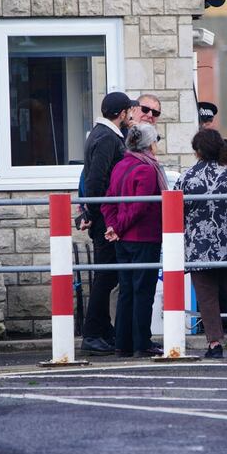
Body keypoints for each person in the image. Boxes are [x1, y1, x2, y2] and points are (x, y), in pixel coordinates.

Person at [174, 129, 227, 359]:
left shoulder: (186, 178)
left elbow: (176, 211)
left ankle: (214, 344)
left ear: (197, 151)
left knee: (207, 296)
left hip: (199, 246)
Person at [79, 91, 138, 355]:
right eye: (129, 111)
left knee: (109, 274)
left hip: (104, 216)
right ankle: (92, 333)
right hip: (106, 219)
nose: (130, 116)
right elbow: (95, 181)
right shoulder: (106, 138)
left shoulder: (102, 135)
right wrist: (95, 215)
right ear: (122, 113)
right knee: (105, 276)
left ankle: (102, 330)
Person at [101, 123, 166, 358]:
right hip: (144, 237)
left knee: (127, 290)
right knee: (143, 291)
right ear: (149, 144)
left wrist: (113, 226)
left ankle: (123, 343)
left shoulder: (120, 165)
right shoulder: (148, 169)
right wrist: (117, 226)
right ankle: (142, 343)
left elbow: (107, 200)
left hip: (122, 239)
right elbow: (140, 206)